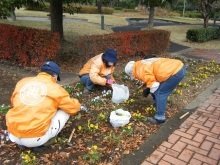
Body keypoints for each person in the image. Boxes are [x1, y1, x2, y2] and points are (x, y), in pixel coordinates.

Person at [6, 61, 84, 150]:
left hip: (13, 134)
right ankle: (45, 141)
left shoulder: (22, 82)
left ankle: (24, 141)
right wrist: (76, 103)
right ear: (54, 76)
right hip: (35, 138)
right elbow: (73, 108)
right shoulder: (56, 88)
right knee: (65, 110)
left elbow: (13, 102)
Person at [124, 55, 186, 124]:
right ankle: (159, 104)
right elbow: (152, 75)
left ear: (131, 72)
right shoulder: (140, 64)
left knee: (159, 93)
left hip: (175, 72)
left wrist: (150, 90)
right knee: (159, 91)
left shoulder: (140, 71)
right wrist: (149, 88)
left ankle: (160, 118)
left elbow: (154, 85)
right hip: (178, 66)